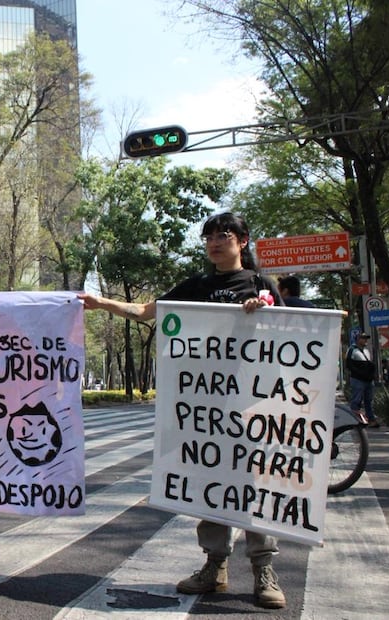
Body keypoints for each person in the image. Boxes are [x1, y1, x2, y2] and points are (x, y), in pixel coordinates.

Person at [78, 211, 286, 609]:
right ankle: (214, 567)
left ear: (242, 241)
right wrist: (101, 302)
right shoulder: (196, 286)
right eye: (208, 235)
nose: (213, 241)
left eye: (223, 234)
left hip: (254, 402)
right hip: (205, 404)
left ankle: (264, 570)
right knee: (212, 482)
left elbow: (290, 333)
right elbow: (144, 311)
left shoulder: (261, 285)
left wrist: (263, 313)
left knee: (255, 485)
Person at [346, 332, 379, 428]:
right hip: (358, 379)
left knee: (369, 400)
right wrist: (359, 373)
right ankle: (354, 420)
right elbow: (349, 365)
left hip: (368, 380)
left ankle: (371, 419)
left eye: (366, 338)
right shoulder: (352, 350)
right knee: (357, 400)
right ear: (358, 339)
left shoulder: (366, 351)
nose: (365, 340)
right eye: (363, 338)